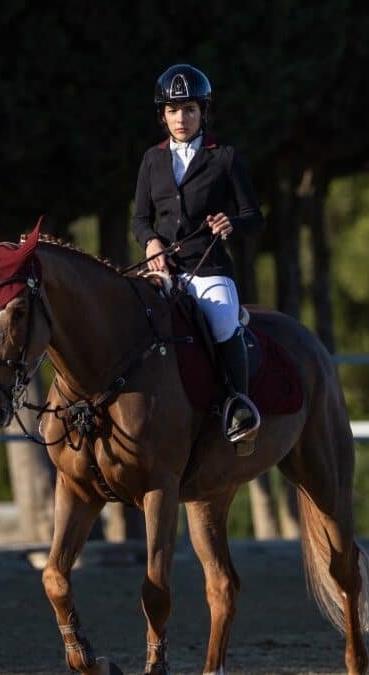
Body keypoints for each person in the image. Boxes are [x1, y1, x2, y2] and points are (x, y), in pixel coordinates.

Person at [130, 63, 265, 448]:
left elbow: (253, 217)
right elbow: (139, 219)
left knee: (222, 320)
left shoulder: (223, 157)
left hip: (208, 268)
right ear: (163, 115)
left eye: (189, 109)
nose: (181, 118)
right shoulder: (151, 160)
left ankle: (239, 403)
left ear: (203, 112)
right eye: (173, 111)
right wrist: (151, 242)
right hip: (160, 269)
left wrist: (231, 225)